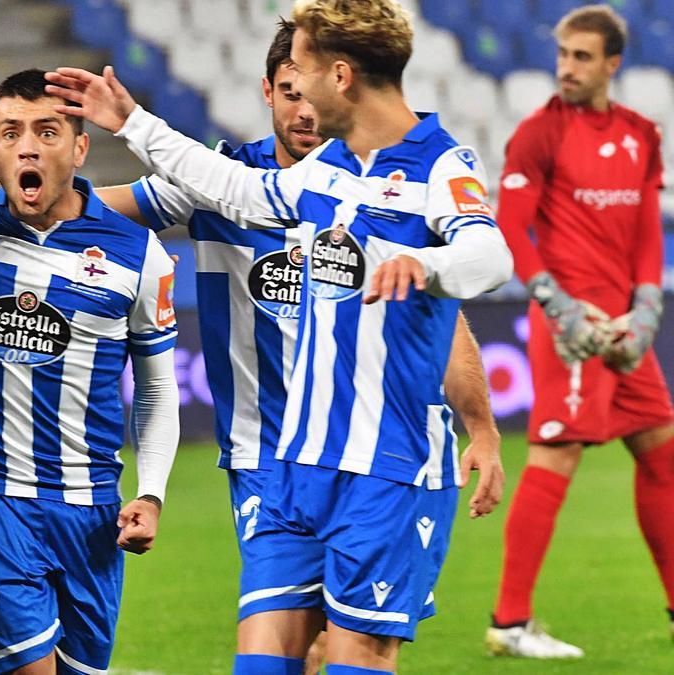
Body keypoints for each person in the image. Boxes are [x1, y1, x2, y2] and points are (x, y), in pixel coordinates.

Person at [44, 0, 512, 670]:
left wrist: (427, 263)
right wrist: (133, 123)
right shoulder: (327, 171)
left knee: (352, 657)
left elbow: (490, 258)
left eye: (303, 68)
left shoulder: (441, 165)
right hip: (295, 468)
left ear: (341, 75)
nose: (294, 88)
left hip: (388, 468)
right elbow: (235, 186)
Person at [0, 69, 180, 674]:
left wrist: (151, 493)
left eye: (47, 131)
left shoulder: (136, 252)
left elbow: (156, 386)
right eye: (10, 132)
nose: (28, 146)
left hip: (92, 509)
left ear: (79, 146)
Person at [487, 4, 674, 657]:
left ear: (612, 64)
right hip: (572, 328)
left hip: (624, 328)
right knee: (555, 455)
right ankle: (510, 623)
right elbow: (511, 227)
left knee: (662, 449)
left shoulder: (640, 133)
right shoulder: (538, 133)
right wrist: (559, 307)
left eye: (582, 57)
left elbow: (649, 228)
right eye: (564, 54)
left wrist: (648, 306)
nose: (567, 67)